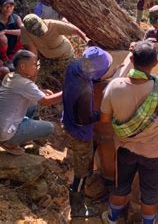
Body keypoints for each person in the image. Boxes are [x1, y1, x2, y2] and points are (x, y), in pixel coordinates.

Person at [100, 41, 158, 224]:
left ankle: (111, 219)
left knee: (121, 187)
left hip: (124, 149)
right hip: (153, 152)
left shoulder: (114, 86)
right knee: (149, 192)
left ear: (131, 59)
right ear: (156, 63)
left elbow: (104, 119)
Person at [62, 47, 116, 218]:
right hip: (80, 133)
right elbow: (85, 118)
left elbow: (90, 75)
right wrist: (104, 114)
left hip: (68, 122)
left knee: (85, 161)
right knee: (81, 172)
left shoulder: (74, 67)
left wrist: (103, 76)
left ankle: (86, 181)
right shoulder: (84, 90)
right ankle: (77, 208)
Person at [0, 50, 62, 155]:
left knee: (33, 104)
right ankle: (10, 143)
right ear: (22, 66)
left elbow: (30, 91)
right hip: (5, 134)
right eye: (33, 64)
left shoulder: (10, 76)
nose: (36, 67)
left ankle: (21, 136)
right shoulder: (24, 84)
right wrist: (67, 92)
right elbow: (45, 102)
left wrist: (40, 90)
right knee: (50, 127)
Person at [21, 14, 90, 84]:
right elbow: (33, 51)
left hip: (65, 57)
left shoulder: (54, 25)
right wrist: (33, 68)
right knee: (35, 81)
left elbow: (76, 30)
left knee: (73, 79)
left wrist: (87, 41)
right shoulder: (24, 31)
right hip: (46, 60)